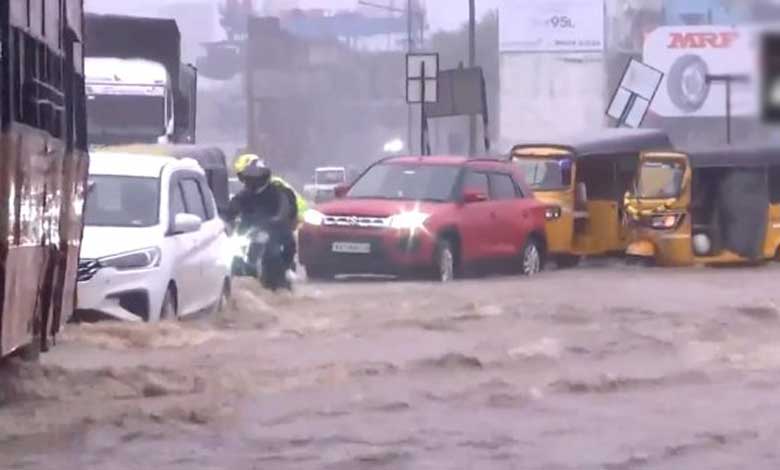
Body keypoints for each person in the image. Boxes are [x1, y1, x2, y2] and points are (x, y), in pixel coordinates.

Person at [226, 154, 297, 290]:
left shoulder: (278, 191)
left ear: (263, 177)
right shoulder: (245, 195)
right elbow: (232, 208)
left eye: (254, 178)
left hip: (274, 232)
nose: (250, 181)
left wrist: (277, 219)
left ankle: (284, 274)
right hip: (248, 232)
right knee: (231, 256)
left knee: (276, 250)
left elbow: (285, 208)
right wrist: (225, 218)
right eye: (248, 178)